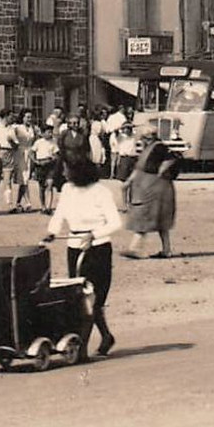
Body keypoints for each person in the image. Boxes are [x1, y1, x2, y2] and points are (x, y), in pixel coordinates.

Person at [42, 156, 121, 358]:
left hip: (98, 248)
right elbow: (59, 214)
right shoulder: (68, 189)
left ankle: (82, 348)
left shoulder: (101, 192)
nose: (63, 173)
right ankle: (105, 336)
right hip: (74, 246)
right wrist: (52, 231)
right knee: (79, 298)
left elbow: (115, 223)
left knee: (93, 299)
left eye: (66, 170)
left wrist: (93, 235)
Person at [124, 141, 180, 258]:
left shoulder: (158, 148)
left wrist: (160, 172)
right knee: (161, 220)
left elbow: (168, 161)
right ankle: (166, 250)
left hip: (153, 188)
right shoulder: (154, 149)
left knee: (145, 218)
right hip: (158, 187)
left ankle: (134, 248)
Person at [11, 109, 37, 212]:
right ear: (22, 117)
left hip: (29, 153)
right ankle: (28, 202)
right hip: (20, 153)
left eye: (31, 117)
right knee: (23, 178)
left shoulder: (32, 128)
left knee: (25, 179)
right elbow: (9, 137)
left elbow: (34, 140)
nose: (29, 119)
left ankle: (18, 203)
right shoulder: (17, 127)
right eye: (27, 117)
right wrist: (15, 146)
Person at [31, 124, 60, 214]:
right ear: (43, 133)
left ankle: (49, 207)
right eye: (48, 132)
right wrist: (35, 161)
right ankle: (43, 206)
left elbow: (57, 153)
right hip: (40, 164)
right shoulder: (38, 142)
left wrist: (53, 158)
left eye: (51, 132)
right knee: (41, 187)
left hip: (50, 164)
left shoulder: (53, 142)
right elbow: (31, 152)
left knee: (50, 184)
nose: (50, 134)